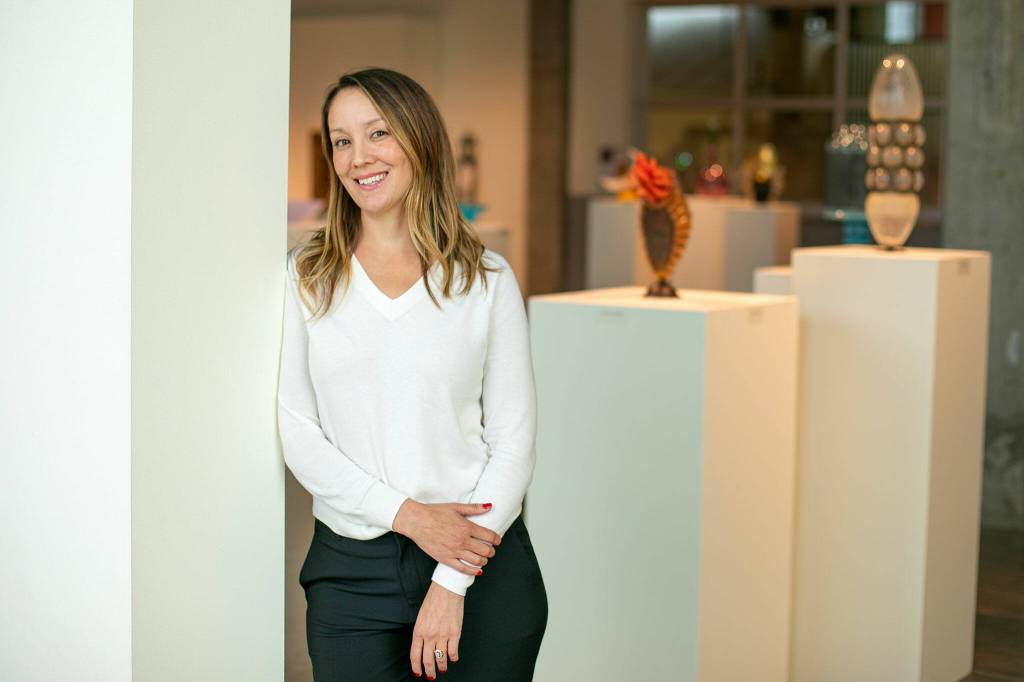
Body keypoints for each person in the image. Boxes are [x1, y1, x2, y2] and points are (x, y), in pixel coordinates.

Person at [277, 68, 548, 681]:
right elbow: (297, 431)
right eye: (341, 140)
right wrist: (409, 516)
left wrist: (451, 581)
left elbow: (513, 444)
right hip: (351, 572)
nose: (359, 157)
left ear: (419, 140)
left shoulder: (487, 280)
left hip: (480, 563)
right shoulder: (306, 278)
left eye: (378, 133)